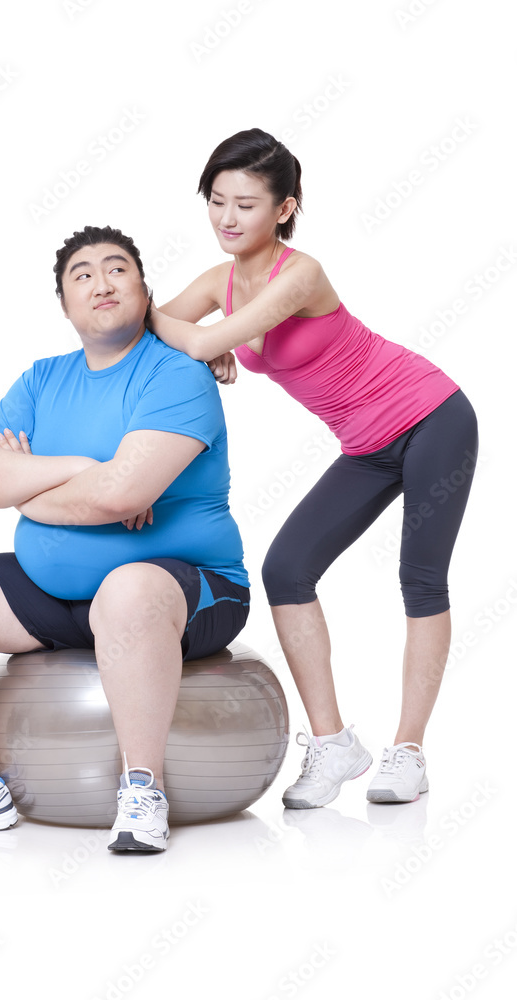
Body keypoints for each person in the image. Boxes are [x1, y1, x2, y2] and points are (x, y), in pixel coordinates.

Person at [0, 225, 250, 851]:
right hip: (57, 594)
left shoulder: (176, 374)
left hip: (186, 592)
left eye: (116, 269)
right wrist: (82, 470)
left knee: (128, 590)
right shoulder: (42, 379)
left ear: (144, 288)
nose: (100, 283)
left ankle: (142, 787)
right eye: (81, 274)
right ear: (64, 302)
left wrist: (30, 493)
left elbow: (124, 496)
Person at [149, 128, 478, 808]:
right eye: (215, 201)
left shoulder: (299, 274)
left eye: (245, 204)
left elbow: (198, 334)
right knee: (286, 570)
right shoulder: (221, 280)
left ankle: (408, 752)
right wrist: (202, 349)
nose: (227, 218)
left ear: (284, 209)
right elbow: (149, 325)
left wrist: (209, 346)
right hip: (363, 444)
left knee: (418, 578)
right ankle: (332, 745)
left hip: (431, 416)